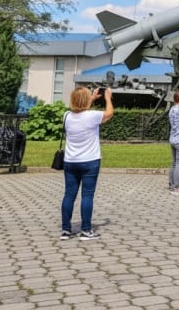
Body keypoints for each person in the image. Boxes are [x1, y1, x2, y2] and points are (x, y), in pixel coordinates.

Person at [60, 86, 114, 241]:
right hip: (90, 160)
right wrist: (108, 98)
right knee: (87, 195)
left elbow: (80, 108)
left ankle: (66, 229)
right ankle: (86, 230)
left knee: (69, 194)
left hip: (71, 161)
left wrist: (91, 98)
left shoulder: (66, 116)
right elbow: (109, 113)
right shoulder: (93, 116)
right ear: (86, 100)